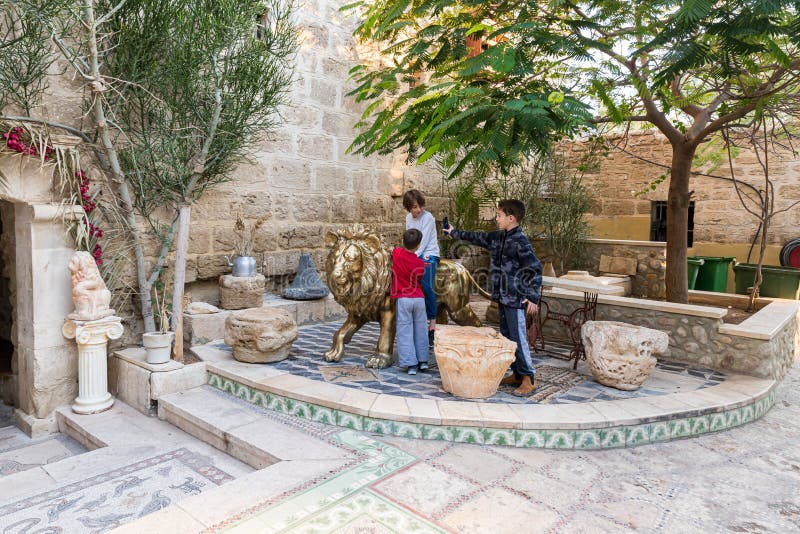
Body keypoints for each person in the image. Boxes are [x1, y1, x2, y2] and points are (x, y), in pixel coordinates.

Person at [443, 199, 542, 396]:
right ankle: (516, 374)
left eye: (499, 215)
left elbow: (534, 269)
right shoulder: (498, 236)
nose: (496, 218)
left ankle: (528, 378)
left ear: (511, 218)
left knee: (518, 339)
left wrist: (532, 297)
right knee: (507, 338)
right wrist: (454, 232)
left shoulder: (520, 240)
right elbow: (477, 237)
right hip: (502, 298)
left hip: (515, 299)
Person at [402, 189, 440, 348]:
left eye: (419, 206)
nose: (418, 210)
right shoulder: (408, 218)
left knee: (425, 285)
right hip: (414, 253)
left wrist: (410, 257)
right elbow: (409, 238)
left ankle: (432, 323)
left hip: (428, 255)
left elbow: (422, 243)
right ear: (408, 207)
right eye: (414, 207)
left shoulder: (428, 218)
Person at [391, 228, 429, 375]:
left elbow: (392, 251)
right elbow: (419, 279)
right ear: (418, 246)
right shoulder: (420, 264)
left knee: (405, 330)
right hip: (418, 299)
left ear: (402, 242)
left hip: (404, 298)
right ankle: (423, 361)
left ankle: (411, 365)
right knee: (421, 330)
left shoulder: (397, 254)